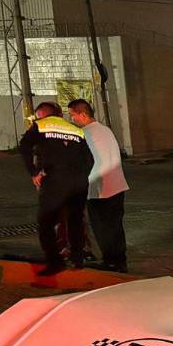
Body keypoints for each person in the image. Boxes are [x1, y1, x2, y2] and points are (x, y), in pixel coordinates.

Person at [18, 102, 91, 276]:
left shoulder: (41, 125)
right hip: (79, 183)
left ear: (42, 115)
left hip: (54, 181)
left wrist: (34, 172)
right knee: (75, 221)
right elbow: (89, 159)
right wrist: (82, 177)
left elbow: (24, 146)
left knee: (46, 223)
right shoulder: (76, 130)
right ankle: (78, 259)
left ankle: (54, 262)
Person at [67, 99, 128, 272]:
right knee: (115, 226)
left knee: (102, 227)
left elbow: (84, 163)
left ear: (83, 114)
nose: (72, 119)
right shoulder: (105, 130)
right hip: (118, 185)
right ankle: (119, 260)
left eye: (73, 115)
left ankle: (110, 262)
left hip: (99, 188)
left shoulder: (84, 134)